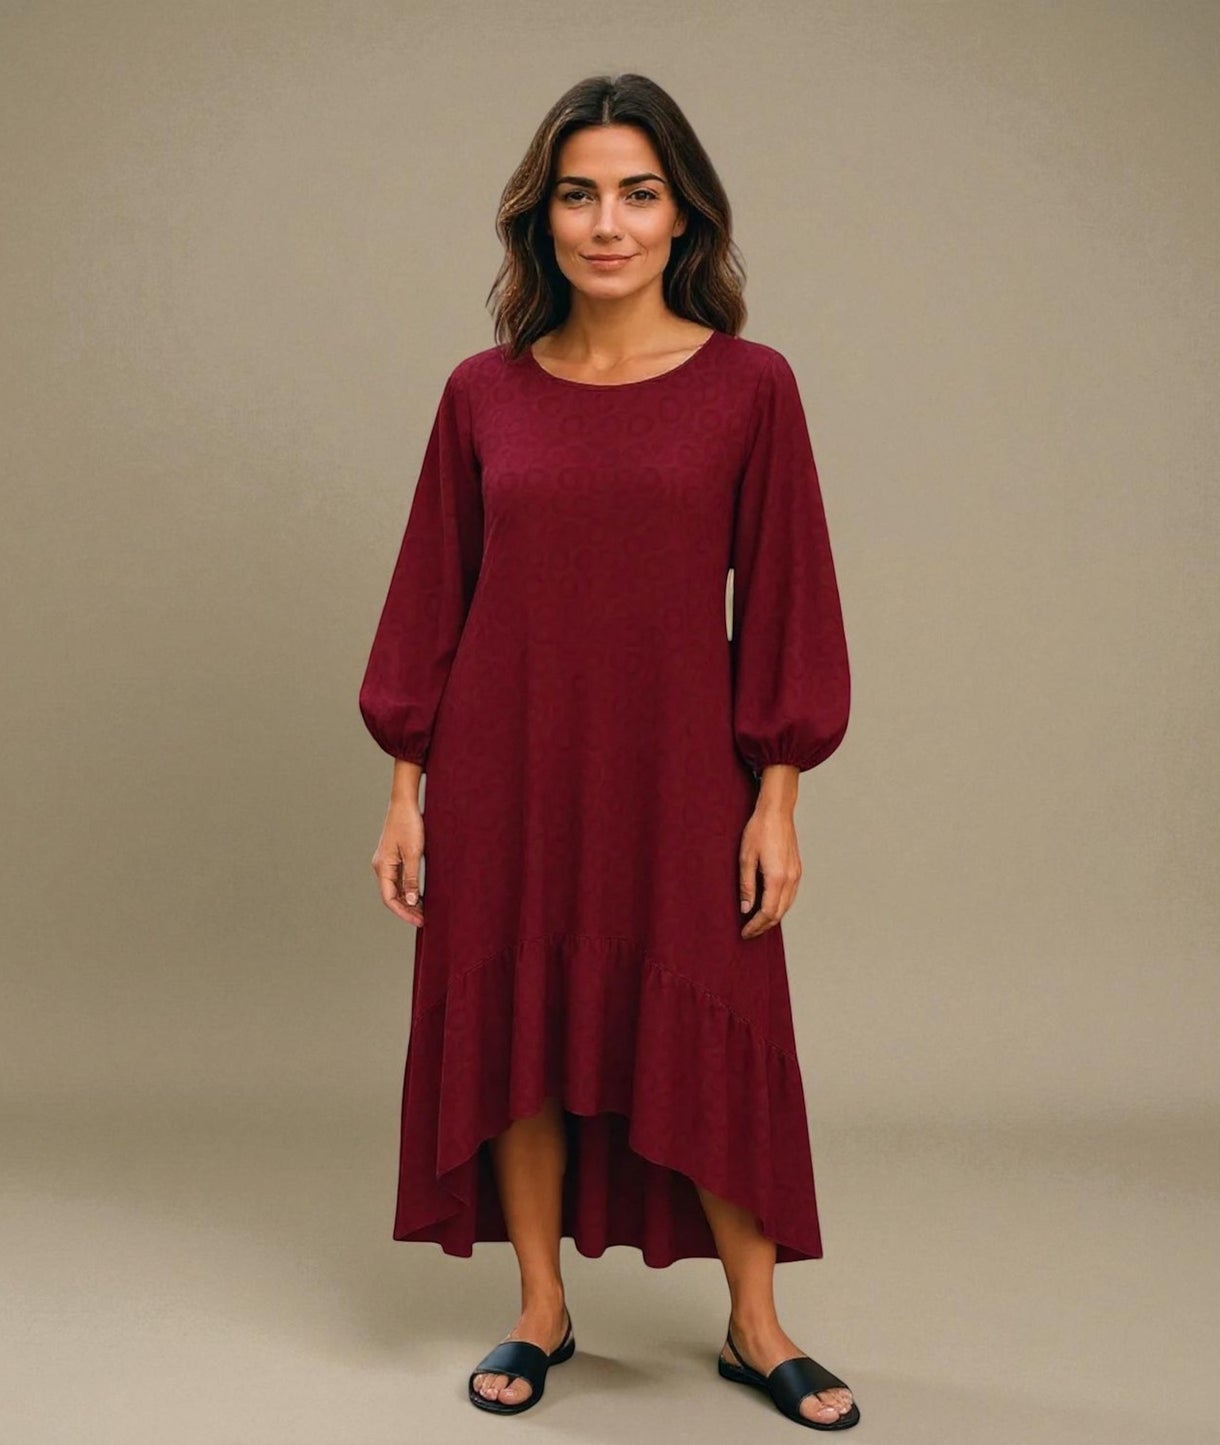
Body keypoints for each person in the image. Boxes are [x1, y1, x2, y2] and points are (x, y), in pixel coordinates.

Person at [357, 73, 859, 1431]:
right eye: (578, 193)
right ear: (543, 217)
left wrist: (777, 797)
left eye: (638, 192)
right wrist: (407, 788)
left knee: (708, 1013)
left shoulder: (750, 388)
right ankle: (538, 1305)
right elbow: (430, 597)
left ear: (683, 213)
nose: (607, 222)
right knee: (515, 1014)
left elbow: (792, 605)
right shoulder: (483, 394)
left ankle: (757, 1326)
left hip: (673, 771)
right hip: (500, 766)